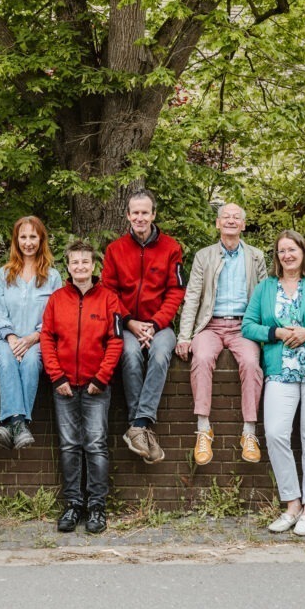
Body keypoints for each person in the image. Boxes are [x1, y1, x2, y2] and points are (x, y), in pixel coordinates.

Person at [242, 230, 305, 537]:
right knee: (275, 433)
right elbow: (248, 325)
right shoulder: (265, 288)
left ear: (303, 252)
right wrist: (276, 334)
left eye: (292, 249)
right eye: (281, 251)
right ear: (277, 257)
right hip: (280, 371)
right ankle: (292, 504)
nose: (287, 255)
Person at [40, 240, 123, 535]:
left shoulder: (109, 299)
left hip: (96, 387)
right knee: (69, 446)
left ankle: (97, 507)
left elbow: (115, 341)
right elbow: (47, 339)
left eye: (85, 262)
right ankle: (73, 504)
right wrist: (57, 377)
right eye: (75, 262)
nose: (80, 267)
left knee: (96, 445)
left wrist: (101, 378)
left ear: (93, 265)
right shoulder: (56, 299)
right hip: (63, 386)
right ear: (68, 266)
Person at [175, 203, 267, 466]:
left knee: (251, 363)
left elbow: (263, 297)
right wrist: (184, 336)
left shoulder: (256, 256)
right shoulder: (204, 256)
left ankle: (249, 433)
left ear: (243, 225)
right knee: (201, 358)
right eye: (225, 217)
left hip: (244, 326)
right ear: (217, 223)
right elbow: (192, 296)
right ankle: (203, 429)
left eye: (236, 217)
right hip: (210, 325)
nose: (230, 220)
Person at [101, 189, 185, 463]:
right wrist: (131, 322)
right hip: (126, 324)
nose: (140, 217)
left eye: (144, 212)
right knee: (129, 355)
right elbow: (109, 293)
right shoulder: (115, 250)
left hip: (161, 326)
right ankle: (141, 428)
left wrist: (154, 324)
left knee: (161, 355)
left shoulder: (171, 248)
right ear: (127, 215)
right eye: (134, 212)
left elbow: (176, 291)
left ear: (153, 214)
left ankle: (139, 424)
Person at [0, 216, 62, 450]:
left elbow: (56, 315)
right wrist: (12, 338)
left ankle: (10, 424)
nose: (28, 242)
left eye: (33, 236)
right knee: (7, 361)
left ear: (41, 240)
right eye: (23, 237)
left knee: (31, 362)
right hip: (4, 338)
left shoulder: (53, 276)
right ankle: (19, 424)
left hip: (39, 339)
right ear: (16, 240)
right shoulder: (3, 274)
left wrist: (32, 338)